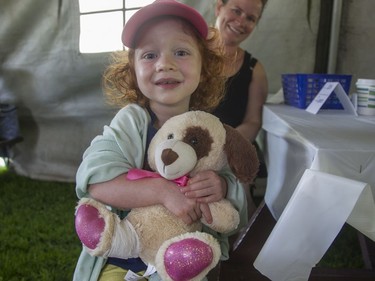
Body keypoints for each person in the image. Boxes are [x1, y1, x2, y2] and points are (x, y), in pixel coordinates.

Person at [72, 1, 248, 280]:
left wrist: (222, 184)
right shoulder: (131, 122)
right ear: (133, 71)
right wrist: (164, 191)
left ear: (204, 68)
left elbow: (238, 203)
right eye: (150, 55)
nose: (165, 64)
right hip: (124, 256)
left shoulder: (209, 131)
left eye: (181, 52)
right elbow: (95, 181)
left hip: (182, 262)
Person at [212, 0, 269, 215]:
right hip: (187, 141)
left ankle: (240, 239)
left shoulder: (255, 69)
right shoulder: (189, 53)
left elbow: (254, 121)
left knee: (237, 201)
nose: (241, 22)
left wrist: (225, 144)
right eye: (236, 11)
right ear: (219, 7)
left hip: (231, 149)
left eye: (251, 18)